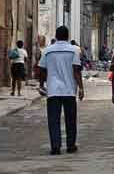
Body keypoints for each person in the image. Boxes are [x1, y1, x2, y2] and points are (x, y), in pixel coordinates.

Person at [39, 26, 84, 155]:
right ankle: (70, 145)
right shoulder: (73, 51)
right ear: (67, 36)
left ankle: (55, 146)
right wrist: (81, 88)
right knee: (70, 119)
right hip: (69, 90)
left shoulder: (48, 51)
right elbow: (76, 70)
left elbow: (42, 69)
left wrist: (41, 84)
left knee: (53, 119)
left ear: (57, 36)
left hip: (53, 90)